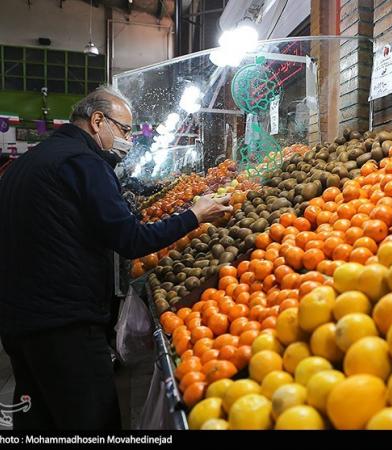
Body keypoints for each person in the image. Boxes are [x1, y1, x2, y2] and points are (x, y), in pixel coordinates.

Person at [0, 85, 230, 430]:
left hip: (19, 321)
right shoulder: (84, 162)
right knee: (92, 420)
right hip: (65, 326)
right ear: (97, 121)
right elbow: (130, 238)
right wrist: (194, 215)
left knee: (39, 420)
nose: (127, 139)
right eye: (124, 130)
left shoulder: (30, 160)